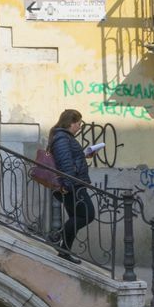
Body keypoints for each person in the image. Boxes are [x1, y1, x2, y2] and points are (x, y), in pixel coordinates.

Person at [48, 108, 99, 260]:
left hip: (72, 183)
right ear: (71, 123)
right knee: (88, 215)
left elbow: (69, 159)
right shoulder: (62, 138)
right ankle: (56, 236)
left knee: (76, 217)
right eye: (79, 124)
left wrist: (84, 155)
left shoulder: (64, 138)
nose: (80, 127)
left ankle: (64, 251)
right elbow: (65, 164)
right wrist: (69, 186)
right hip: (71, 185)